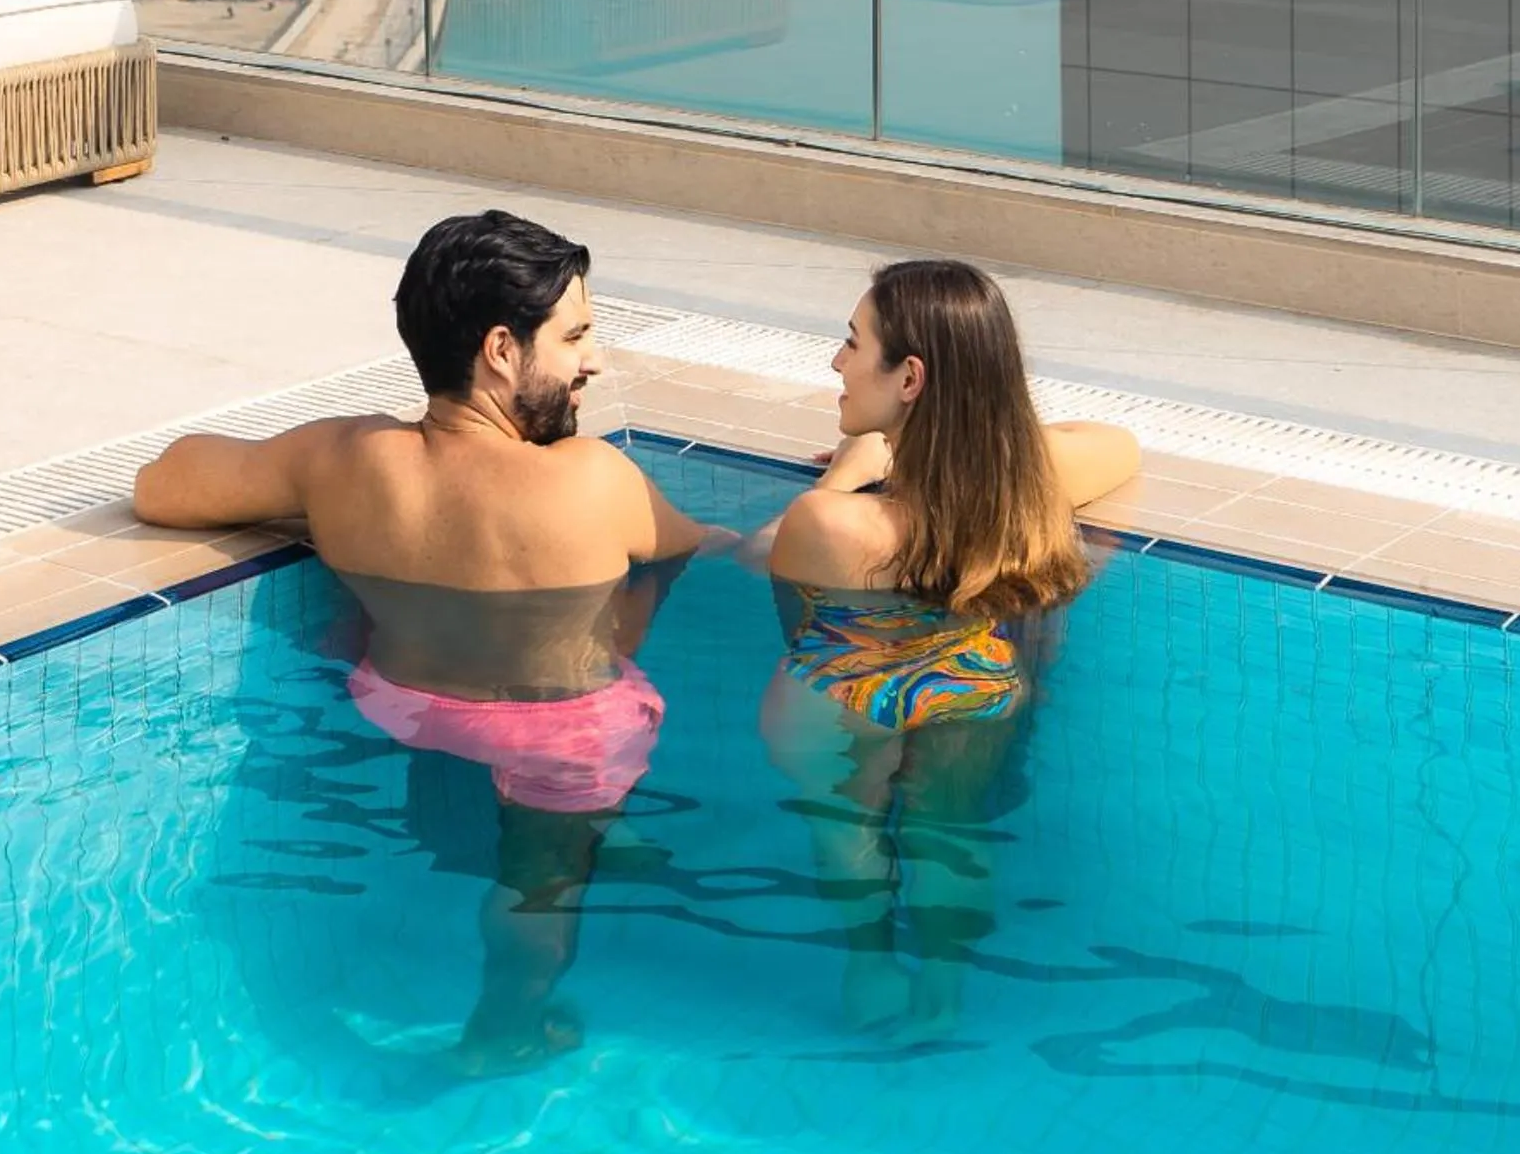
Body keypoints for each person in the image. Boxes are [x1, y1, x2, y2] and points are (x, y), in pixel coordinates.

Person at [133, 208, 722, 1071]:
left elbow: (162, 485)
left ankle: (506, 829)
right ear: (500, 350)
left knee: (467, 721)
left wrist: (329, 503)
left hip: (402, 707)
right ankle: (506, 1027)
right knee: (540, 883)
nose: (593, 359)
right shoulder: (594, 479)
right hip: (557, 734)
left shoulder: (345, 459)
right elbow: (685, 547)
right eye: (576, 336)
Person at [756, 259, 1137, 1043]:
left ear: (909, 378)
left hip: (851, 687)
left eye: (853, 344)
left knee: (846, 819)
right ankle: (945, 997)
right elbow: (1118, 444)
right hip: (977, 680)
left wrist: (849, 473)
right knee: (945, 830)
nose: (836, 363)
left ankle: (869, 968)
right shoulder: (1025, 496)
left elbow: (798, 625)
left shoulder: (825, 523)